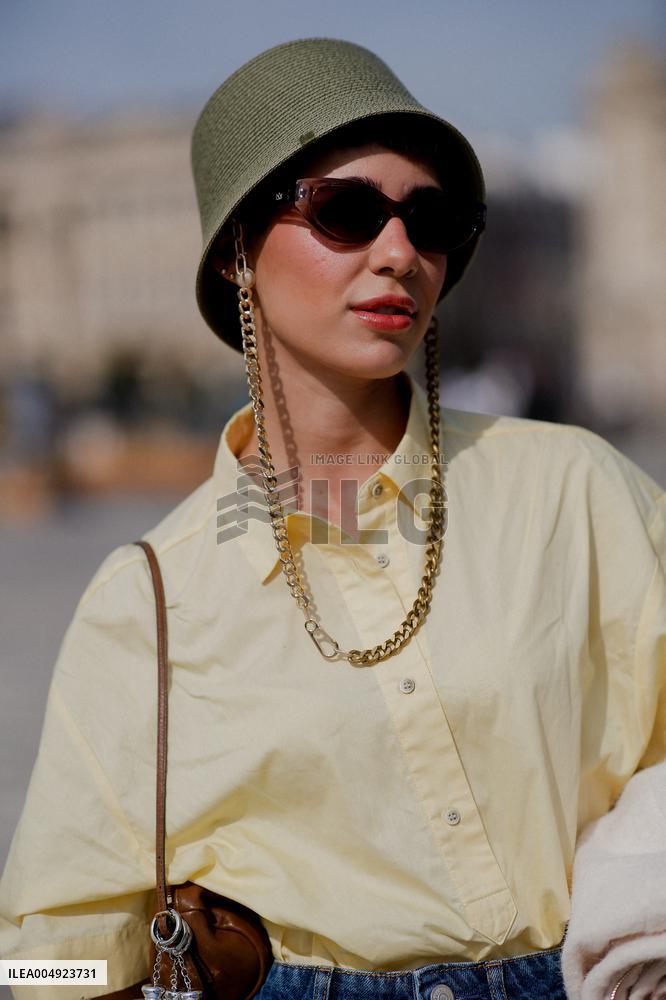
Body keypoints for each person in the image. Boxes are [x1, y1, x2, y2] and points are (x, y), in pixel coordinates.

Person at [0, 37, 664, 1000]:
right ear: (236, 248)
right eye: (346, 212)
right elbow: (39, 961)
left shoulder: (577, 491)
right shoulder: (148, 602)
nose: (398, 253)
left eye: (429, 219)